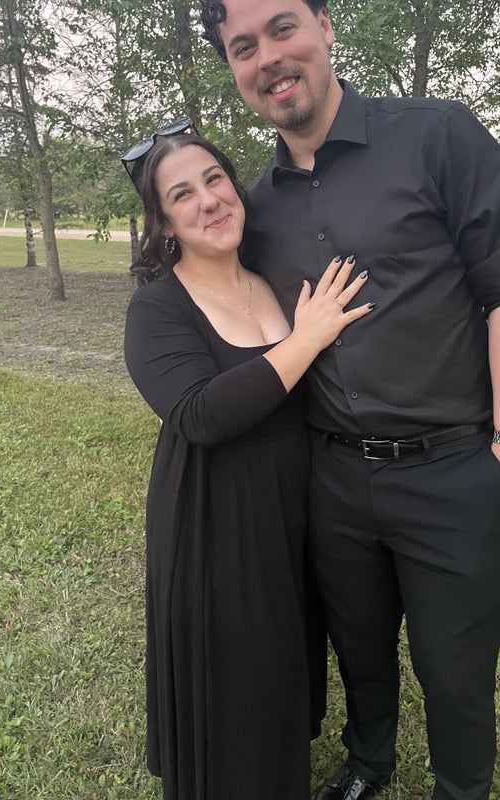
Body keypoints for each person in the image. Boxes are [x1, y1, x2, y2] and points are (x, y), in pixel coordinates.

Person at [198, 2, 500, 800]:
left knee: (455, 665)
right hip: (335, 478)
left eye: (282, 27)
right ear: (233, 68)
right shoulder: (256, 208)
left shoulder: (437, 136)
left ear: (325, 24)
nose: (268, 58)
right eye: (243, 47)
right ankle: (368, 763)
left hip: (455, 469)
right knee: (358, 646)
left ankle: (462, 789)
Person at [121, 124, 374, 800]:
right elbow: (201, 414)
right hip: (215, 520)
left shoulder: (274, 281)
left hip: (294, 511)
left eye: (214, 180)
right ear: (163, 223)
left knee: (283, 662)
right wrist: (308, 337)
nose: (208, 199)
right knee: (234, 676)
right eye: (182, 193)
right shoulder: (157, 308)